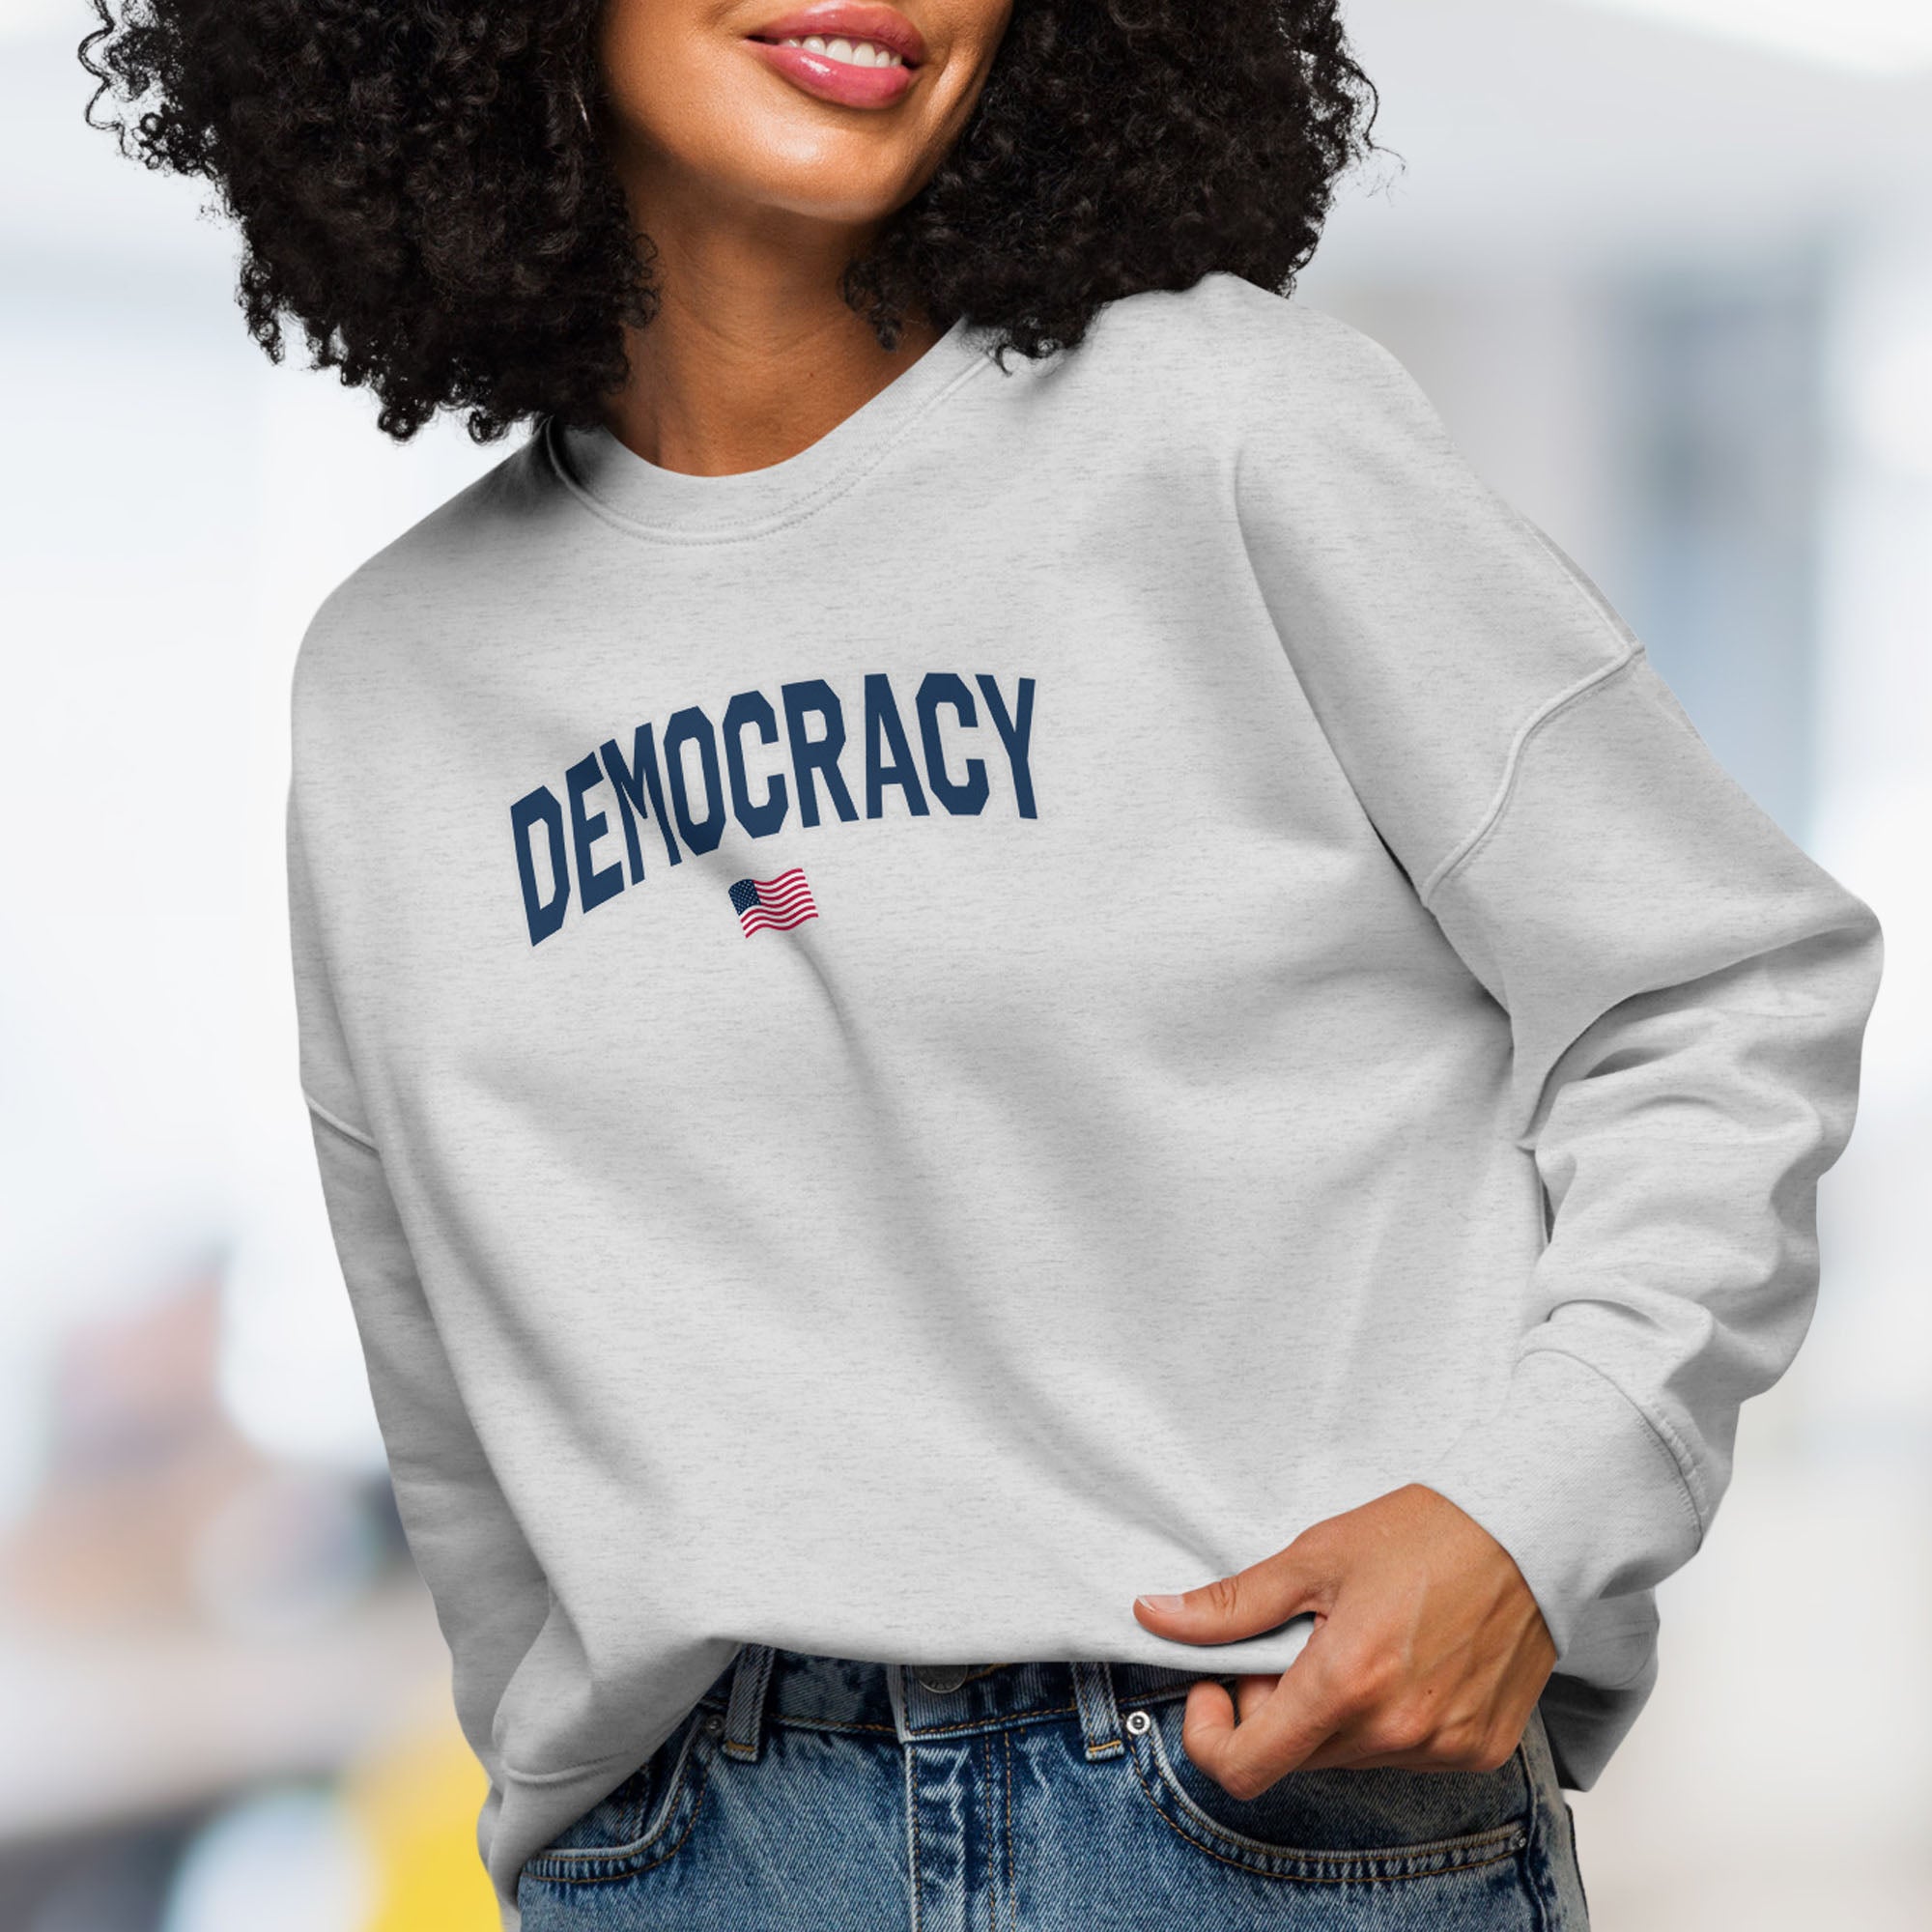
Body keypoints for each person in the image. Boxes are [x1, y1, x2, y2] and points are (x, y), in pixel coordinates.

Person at [83, 2, 1882, 1928]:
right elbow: (453, 1392)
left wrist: (1528, 1523)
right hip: (696, 1858)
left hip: (1245, 1805)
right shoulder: (395, 683)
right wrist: (570, 1814)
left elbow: (1719, 989)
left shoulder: (1226, 429)